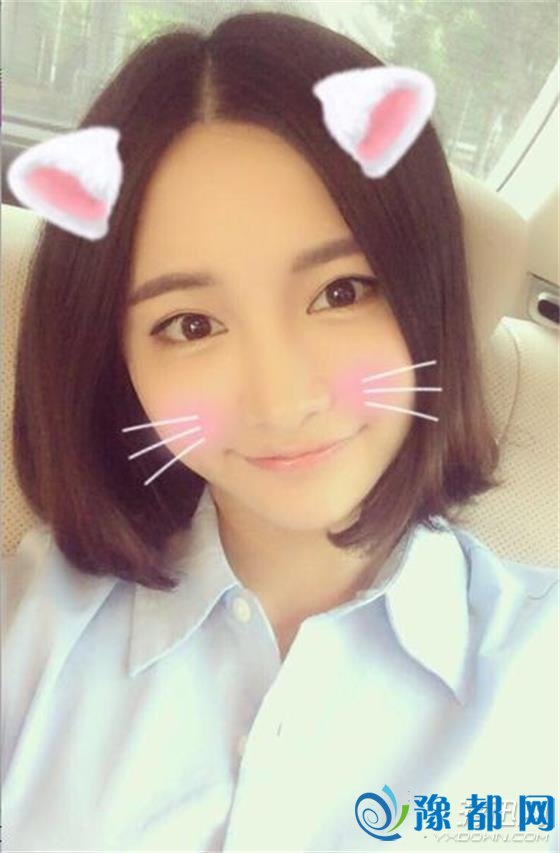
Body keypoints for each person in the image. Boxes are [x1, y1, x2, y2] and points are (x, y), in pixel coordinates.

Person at [2, 12, 557, 853]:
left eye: (341, 292)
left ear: (425, 291)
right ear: (117, 361)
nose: (281, 398)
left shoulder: (542, 667)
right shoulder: (28, 633)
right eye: (191, 325)